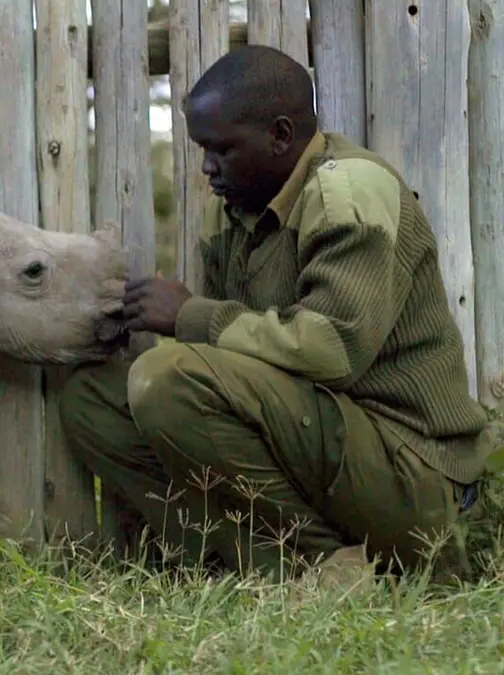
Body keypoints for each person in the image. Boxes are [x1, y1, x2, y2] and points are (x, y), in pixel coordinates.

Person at [59, 44, 491, 583]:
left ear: (281, 136)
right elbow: (234, 361)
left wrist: (190, 316)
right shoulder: (231, 211)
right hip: (319, 450)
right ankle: (239, 562)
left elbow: (333, 350)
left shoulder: (347, 193)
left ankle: (330, 568)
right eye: (202, 149)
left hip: (411, 474)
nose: (207, 168)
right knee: (92, 399)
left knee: (165, 380)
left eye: (222, 149)